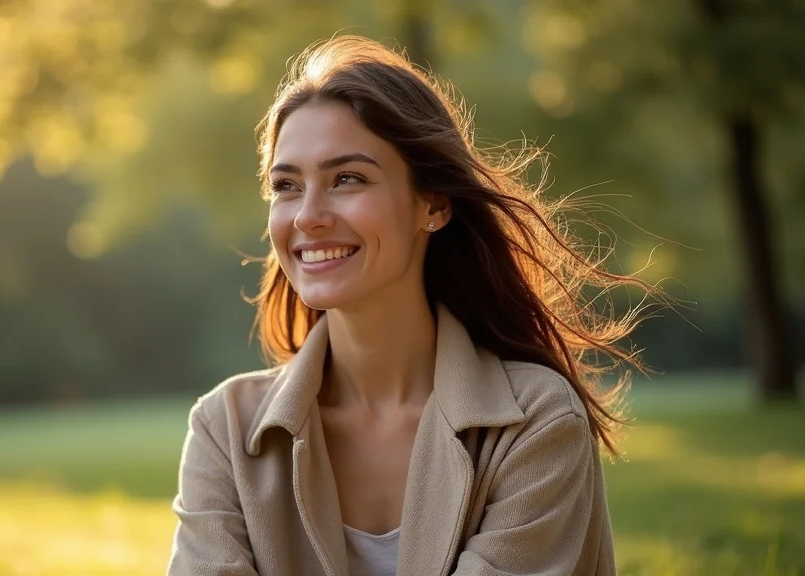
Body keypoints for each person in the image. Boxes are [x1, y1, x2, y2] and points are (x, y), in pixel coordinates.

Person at [168, 34, 659, 576]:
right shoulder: (224, 430)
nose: (308, 215)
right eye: (286, 185)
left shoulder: (537, 422)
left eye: (347, 179)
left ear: (434, 203)